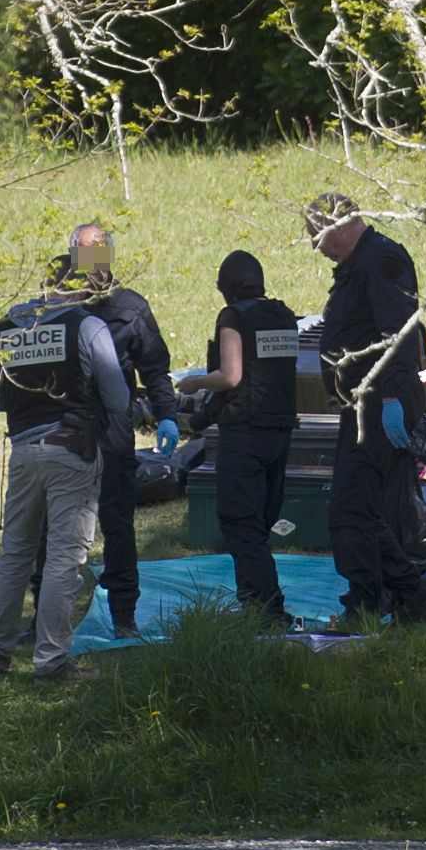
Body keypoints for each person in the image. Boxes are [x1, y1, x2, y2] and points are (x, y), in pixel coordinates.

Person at [0, 257, 130, 678]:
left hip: (23, 452)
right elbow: (118, 399)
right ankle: (51, 661)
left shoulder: (5, 327)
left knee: (15, 552)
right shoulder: (86, 325)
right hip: (71, 450)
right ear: (80, 286)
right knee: (64, 558)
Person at [307, 192, 426, 624]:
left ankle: (384, 598)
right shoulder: (358, 264)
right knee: (369, 508)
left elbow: (400, 333)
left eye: (317, 235)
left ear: (339, 226)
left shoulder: (381, 260)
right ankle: (397, 598)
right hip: (363, 404)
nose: (316, 247)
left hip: (379, 404)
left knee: (351, 508)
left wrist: (393, 398)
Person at [63, 223, 179, 639]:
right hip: (65, 427)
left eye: (98, 254)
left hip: (113, 428)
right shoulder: (57, 306)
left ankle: (124, 615)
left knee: (117, 521)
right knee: (56, 523)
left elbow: (155, 368)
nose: (91, 265)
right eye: (84, 254)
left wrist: (167, 414)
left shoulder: (130, 307)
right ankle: (45, 614)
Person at [178, 250, 301, 624]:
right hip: (279, 432)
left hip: (244, 434)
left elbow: (231, 377)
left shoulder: (233, 317)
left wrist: (196, 382)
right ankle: (262, 603)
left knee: (241, 524)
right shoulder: (284, 316)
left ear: (227, 287)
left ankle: (263, 610)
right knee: (260, 522)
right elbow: (260, 377)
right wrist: (201, 419)